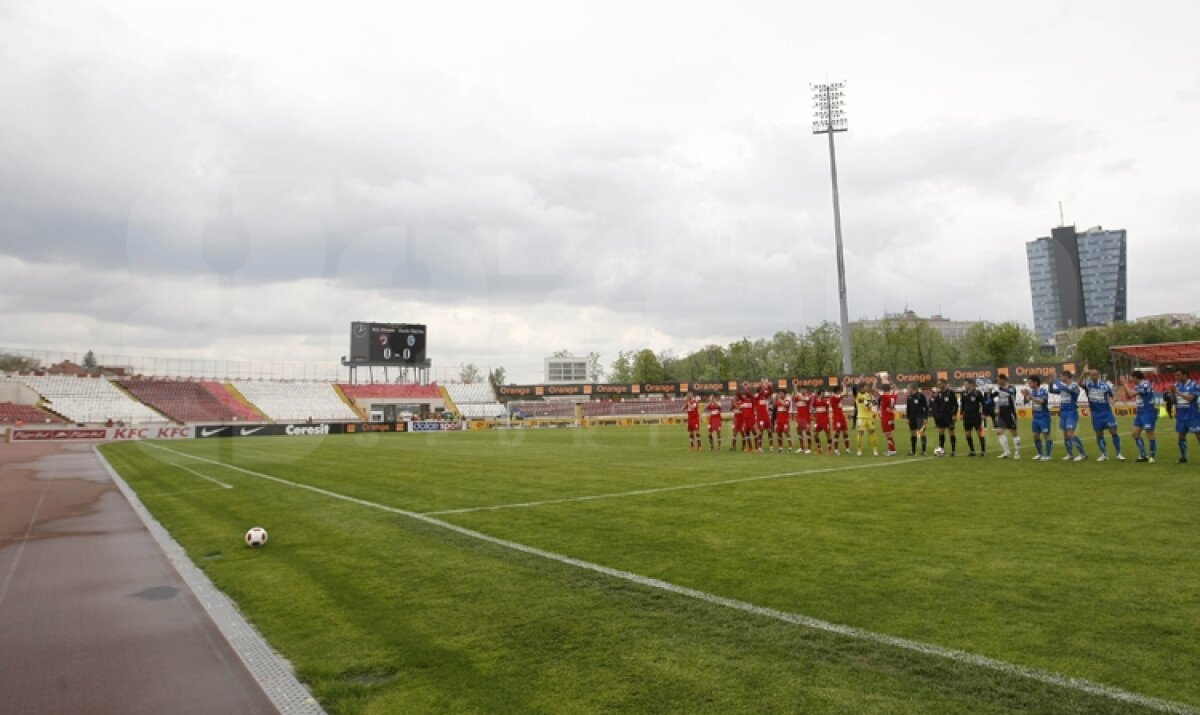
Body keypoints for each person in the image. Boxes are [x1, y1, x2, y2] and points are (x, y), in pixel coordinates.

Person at [1083, 368, 1124, 461]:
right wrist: (1083, 373)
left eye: (1095, 375)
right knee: (1099, 434)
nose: (1093, 376)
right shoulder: (1088, 385)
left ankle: (1119, 453)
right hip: (1095, 414)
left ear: (1099, 375)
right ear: (1089, 376)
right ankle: (1104, 454)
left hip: (1107, 413)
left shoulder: (1105, 386)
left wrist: (1114, 400)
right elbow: (1079, 383)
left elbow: (1114, 395)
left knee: (1114, 431)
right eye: (1091, 375)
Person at [1050, 370, 1087, 461]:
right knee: (1066, 435)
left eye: (1062, 376)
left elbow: (1066, 389)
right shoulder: (1062, 386)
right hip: (1063, 412)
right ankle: (1070, 454)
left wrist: (1055, 379)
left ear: (1066, 376)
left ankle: (1083, 453)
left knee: (1070, 433)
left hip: (1071, 412)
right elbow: (1052, 390)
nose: (1061, 378)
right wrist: (1050, 381)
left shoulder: (1074, 385)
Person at [1121, 370, 1158, 463]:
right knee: (1135, 433)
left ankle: (1152, 456)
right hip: (1140, 412)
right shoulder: (1138, 386)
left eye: (1131, 377)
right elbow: (1129, 396)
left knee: (1149, 433)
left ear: (1135, 377)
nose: (1130, 379)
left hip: (1148, 411)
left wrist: (1124, 384)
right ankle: (1143, 455)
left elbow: (1130, 394)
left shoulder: (1145, 384)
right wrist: (1125, 386)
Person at [1171, 367, 1200, 462]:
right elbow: (1175, 400)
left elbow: (1190, 399)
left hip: (1192, 415)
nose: (1176, 377)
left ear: (1185, 375)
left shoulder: (1193, 385)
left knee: (1198, 435)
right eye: (1175, 375)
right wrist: (1172, 396)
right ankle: (1183, 457)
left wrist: (1177, 392)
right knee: (1181, 437)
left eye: (1178, 375)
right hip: (1181, 416)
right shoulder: (1176, 385)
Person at [992, 373, 1021, 459]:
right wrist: (988, 392)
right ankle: (1006, 452)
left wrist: (999, 389)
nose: (997, 381)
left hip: (1010, 413)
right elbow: (992, 397)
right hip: (1002, 413)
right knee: (999, 431)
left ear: (1003, 380)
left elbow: (1010, 393)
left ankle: (1018, 452)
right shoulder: (998, 389)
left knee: (1014, 432)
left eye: (998, 380)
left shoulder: (1011, 387)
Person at [1025, 375, 1053, 460]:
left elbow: (1041, 402)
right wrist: (1025, 395)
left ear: (1035, 382)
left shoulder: (1043, 391)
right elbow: (1026, 401)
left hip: (1044, 416)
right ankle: (1040, 453)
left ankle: (1048, 455)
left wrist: (1031, 397)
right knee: (1035, 435)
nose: (1029, 384)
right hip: (1036, 417)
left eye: (1030, 382)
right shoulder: (1032, 391)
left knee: (1046, 435)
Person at [930, 378, 958, 456]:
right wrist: (936, 415)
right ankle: (941, 449)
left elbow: (955, 405)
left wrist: (954, 414)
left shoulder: (951, 393)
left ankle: (953, 450)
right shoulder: (938, 393)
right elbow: (936, 405)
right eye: (938, 384)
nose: (938, 385)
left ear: (944, 383)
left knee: (951, 432)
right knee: (941, 432)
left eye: (939, 383)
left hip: (949, 416)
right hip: (940, 416)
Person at [959, 379, 987, 457]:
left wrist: (983, 413)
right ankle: (972, 451)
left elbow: (983, 403)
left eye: (966, 384)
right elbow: (962, 404)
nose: (965, 385)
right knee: (967, 434)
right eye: (964, 384)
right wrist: (961, 413)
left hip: (976, 415)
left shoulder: (977, 393)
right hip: (967, 416)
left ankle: (983, 450)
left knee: (979, 433)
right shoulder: (963, 393)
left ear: (971, 384)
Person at [905, 383, 930, 456]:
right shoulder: (909, 397)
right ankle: (913, 451)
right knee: (913, 434)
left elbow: (926, 407)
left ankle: (924, 451)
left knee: (921, 433)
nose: (907, 390)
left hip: (920, 417)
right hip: (912, 418)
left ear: (913, 388)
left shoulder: (921, 396)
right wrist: (907, 418)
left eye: (908, 388)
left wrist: (925, 417)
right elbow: (908, 408)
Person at [854, 385, 878, 456]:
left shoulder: (869, 396)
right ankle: (859, 450)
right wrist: (869, 403)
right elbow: (867, 404)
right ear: (860, 388)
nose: (865, 388)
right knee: (860, 433)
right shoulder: (857, 395)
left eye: (865, 387)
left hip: (869, 417)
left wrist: (874, 413)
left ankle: (875, 450)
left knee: (872, 432)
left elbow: (874, 405)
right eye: (863, 387)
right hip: (861, 417)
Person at [877, 383, 898, 456]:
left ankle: (892, 450)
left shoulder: (885, 396)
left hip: (886, 417)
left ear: (883, 390)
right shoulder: (893, 396)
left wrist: (875, 382)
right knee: (890, 434)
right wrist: (893, 385)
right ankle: (892, 449)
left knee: (888, 434)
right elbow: (896, 391)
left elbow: (874, 389)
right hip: (891, 416)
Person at [829, 385, 851, 455]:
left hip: (842, 417)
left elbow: (844, 394)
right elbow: (844, 393)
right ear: (838, 391)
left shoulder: (838, 397)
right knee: (837, 433)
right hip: (837, 418)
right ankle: (836, 449)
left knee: (845, 433)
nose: (841, 392)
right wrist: (844, 385)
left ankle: (847, 449)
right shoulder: (833, 397)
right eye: (840, 390)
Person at [811, 389, 832, 455]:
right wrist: (814, 413)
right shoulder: (815, 400)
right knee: (815, 434)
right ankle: (819, 448)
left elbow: (828, 406)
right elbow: (813, 408)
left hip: (825, 420)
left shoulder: (825, 400)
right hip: (817, 420)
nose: (814, 394)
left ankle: (829, 449)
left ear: (818, 394)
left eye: (815, 393)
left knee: (827, 434)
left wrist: (822, 399)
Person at [794, 389, 812, 454]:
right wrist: (795, 390)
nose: (803, 391)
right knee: (799, 433)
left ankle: (809, 449)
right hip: (799, 418)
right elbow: (794, 399)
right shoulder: (798, 397)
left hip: (806, 418)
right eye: (801, 390)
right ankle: (801, 448)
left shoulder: (808, 397)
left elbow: (805, 399)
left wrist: (799, 394)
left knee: (807, 432)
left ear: (806, 391)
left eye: (804, 390)